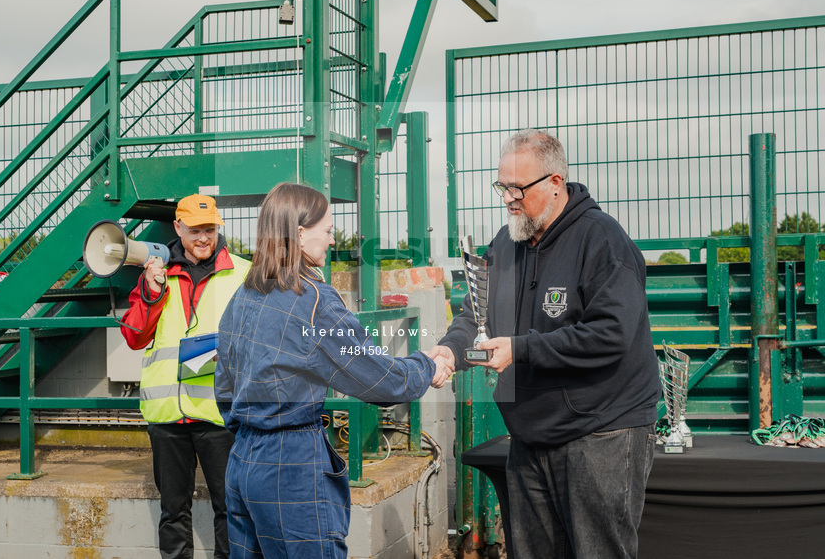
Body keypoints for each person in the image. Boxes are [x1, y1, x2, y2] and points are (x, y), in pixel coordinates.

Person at [430, 129, 662, 558]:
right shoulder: (506, 243)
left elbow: (611, 334)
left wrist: (522, 348)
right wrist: (450, 350)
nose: (507, 198)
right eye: (501, 186)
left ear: (555, 183)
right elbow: (475, 317)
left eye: (518, 188)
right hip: (531, 436)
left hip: (601, 432)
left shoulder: (603, 241)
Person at [214, 182, 453, 559]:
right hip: (291, 462)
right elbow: (379, 380)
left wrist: (253, 429)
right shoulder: (313, 302)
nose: (331, 240)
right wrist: (427, 365)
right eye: (326, 231)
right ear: (299, 233)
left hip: (242, 460)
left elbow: (224, 387)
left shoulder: (243, 295)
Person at [121, 193, 251, 559]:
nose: (203, 238)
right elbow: (134, 336)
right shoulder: (156, 273)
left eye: (210, 229)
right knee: (173, 512)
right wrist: (151, 291)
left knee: (232, 510)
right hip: (167, 416)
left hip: (219, 414)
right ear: (177, 227)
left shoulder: (242, 273)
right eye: (195, 230)